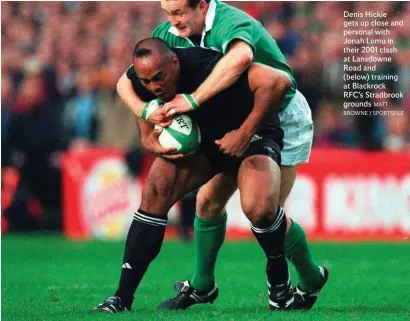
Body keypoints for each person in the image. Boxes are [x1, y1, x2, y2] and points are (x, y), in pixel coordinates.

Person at [116, 0, 328, 311]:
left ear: (202, 6)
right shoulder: (169, 35)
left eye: (177, 12)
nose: (172, 22)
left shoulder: (230, 22)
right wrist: (146, 115)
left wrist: (194, 99)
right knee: (207, 202)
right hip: (226, 116)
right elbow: (130, 80)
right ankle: (202, 285)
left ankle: (310, 276)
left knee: (264, 209)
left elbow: (242, 59)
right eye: (167, 13)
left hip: (277, 111)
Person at [95, 37, 297, 313]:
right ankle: (121, 298)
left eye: (159, 78)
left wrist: (244, 132)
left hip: (252, 134)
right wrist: (145, 134)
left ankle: (279, 283)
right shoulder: (144, 75)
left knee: (259, 208)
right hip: (206, 140)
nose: (154, 86)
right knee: (155, 192)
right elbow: (136, 92)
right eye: (147, 81)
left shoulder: (207, 66)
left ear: (175, 62)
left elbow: (278, 83)